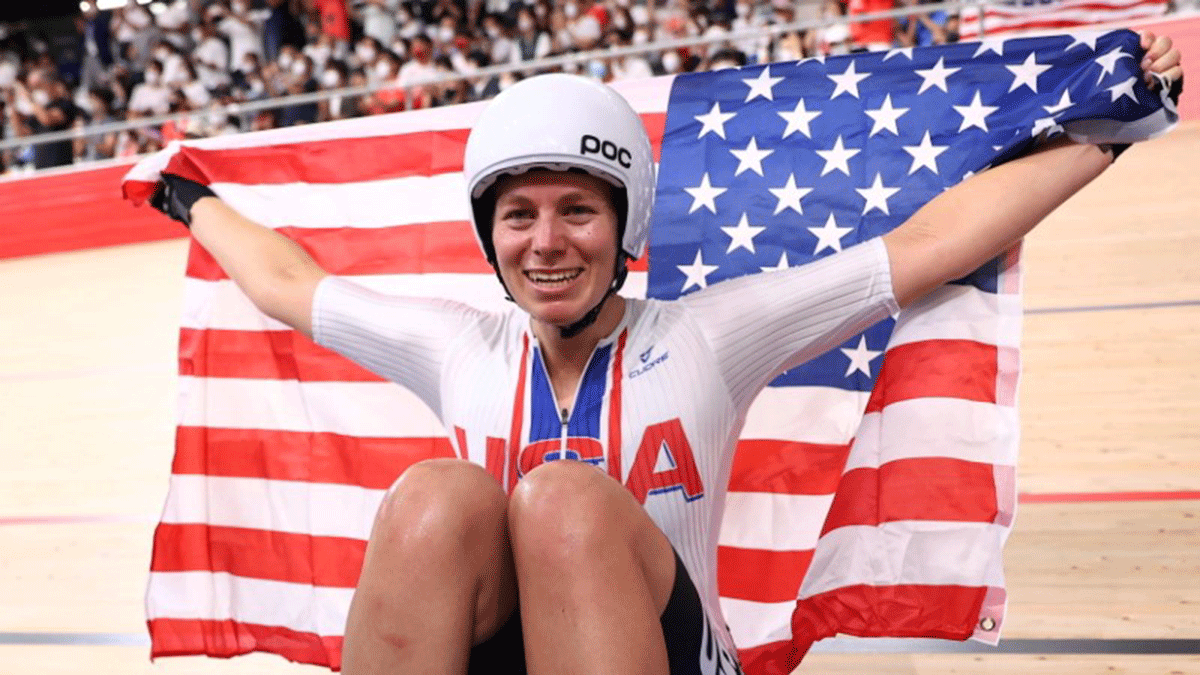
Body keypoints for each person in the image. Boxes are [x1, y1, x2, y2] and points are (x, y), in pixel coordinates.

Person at [146, 32, 1183, 675]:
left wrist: (1109, 127)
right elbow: (285, 284)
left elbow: (924, 246)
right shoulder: (456, 343)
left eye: (576, 212)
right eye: (518, 216)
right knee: (433, 496)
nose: (547, 242)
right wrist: (185, 195)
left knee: (561, 500)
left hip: (675, 660)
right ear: (488, 235)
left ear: (628, 222)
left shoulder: (711, 334)